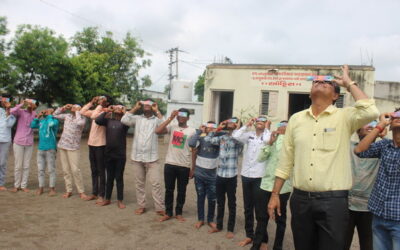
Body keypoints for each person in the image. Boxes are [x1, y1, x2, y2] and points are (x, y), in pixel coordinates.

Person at [268, 65, 379, 250]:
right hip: (301, 200)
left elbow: (371, 111)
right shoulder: (296, 119)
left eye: (327, 82)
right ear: (310, 93)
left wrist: (349, 83)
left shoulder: (345, 117)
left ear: (336, 95)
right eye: (316, 82)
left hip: (333, 202)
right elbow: (286, 159)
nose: (320, 83)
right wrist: (274, 194)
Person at [354, 110, 400, 250]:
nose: (398, 117)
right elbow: (359, 151)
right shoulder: (384, 146)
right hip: (379, 214)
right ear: (390, 124)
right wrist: (380, 125)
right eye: (396, 116)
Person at [121, 99, 165, 215]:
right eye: (144, 104)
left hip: (152, 157)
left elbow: (164, 126)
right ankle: (141, 206)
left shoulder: (156, 120)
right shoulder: (137, 119)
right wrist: (135, 108)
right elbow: (124, 119)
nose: (146, 106)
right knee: (139, 183)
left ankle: (159, 207)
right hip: (137, 157)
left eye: (149, 105)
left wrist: (157, 111)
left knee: (156, 183)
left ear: (153, 107)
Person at [232, 115, 271, 246]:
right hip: (246, 175)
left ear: (266, 124)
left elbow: (267, 140)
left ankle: (263, 240)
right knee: (248, 208)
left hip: (259, 176)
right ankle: (250, 235)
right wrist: (246, 125)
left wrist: (266, 128)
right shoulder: (249, 135)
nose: (260, 122)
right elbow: (236, 136)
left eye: (263, 121)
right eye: (258, 120)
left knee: (260, 210)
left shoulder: (267, 135)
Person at [252, 121, 292, 250]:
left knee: (280, 218)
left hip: (283, 186)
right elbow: (261, 158)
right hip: (266, 183)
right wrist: (270, 143)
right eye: (280, 124)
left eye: (285, 125)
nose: (282, 126)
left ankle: (278, 246)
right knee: (261, 217)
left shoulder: (293, 141)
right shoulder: (273, 139)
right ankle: (257, 244)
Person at [344, 120, 383, 250]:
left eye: (374, 123)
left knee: (368, 245)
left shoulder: (383, 150)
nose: (371, 126)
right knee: (341, 243)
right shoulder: (348, 147)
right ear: (358, 130)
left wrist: (381, 133)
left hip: (370, 208)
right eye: (367, 123)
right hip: (346, 205)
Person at [155, 108, 196, 222]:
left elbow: (194, 150)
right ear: (177, 116)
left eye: (184, 115)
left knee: (182, 190)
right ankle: (168, 212)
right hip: (170, 163)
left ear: (188, 118)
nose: (181, 117)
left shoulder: (192, 131)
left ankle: (179, 212)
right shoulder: (172, 127)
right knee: (169, 190)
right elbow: (158, 131)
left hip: (184, 165)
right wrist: (170, 118)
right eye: (179, 115)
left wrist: (193, 168)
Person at [206, 118, 243, 239]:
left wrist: (238, 128)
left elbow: (240, 142)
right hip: (220, 175)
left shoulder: (239, 139)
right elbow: (208, 139)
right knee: (220, 202)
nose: (230, 123)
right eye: (229, 121)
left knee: (232, 204)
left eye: (234, 122)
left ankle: (230, 229)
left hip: (231, 176)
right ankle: (219, 226)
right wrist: (218, 128)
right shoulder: (222, 137)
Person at [95, 105, 129, 209]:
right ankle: (107, 199)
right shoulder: (108, 120)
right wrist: (107, 111)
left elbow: (129, 119)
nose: (118, 108)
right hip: (109, 154)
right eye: (116, 107)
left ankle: (120, 200)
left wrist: (125, 112)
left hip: (120, 155)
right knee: (109, 177)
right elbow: (97, 120)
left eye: (120, 107)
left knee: (119, 177)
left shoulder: (125, 122)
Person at [54, 104, 89, 200]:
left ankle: (81, 191)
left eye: (76, 107)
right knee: (65, 170)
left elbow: (79, 124)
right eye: (73, 107)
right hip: (62, 145)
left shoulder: (82, 118)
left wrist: (78, 111)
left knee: (75, 170)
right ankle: (68, 190)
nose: (73, 108)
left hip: (73, 147)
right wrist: (64, 107)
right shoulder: (67, 116)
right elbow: (55, 115)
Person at [188, 121, 220, 230]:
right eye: (208, 127)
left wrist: (218, 131)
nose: (211, 129)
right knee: (200, 197)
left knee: (212, 199)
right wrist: (199, 131)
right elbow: (191, 144)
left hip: (213, 176)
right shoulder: (200, 139)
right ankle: (200, 219)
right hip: (199, 174)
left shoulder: (218, 140)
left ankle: (210, 220)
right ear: (205, 128)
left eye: (213, 127)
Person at [81, 96, 111, 203]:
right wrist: (91, 102)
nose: (100, 100)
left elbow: (94, 116)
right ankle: (94, 193)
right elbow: (82, 111)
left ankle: (101, 195)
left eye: (103, 99)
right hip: (91, 144)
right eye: (99, 99)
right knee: (94, 170)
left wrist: (99, 106)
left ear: (107, 103)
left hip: (101, 145)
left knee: (101, 170)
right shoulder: (97, 110)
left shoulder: (107, 114)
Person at [30, 108, 59, 196]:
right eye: (45, 111)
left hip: (50, 148)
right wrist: (37, 117)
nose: (45, 112)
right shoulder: (41, 121)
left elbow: (50, 125)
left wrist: (50, 114)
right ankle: (41, 187)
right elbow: (32, 125)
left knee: (51, 169)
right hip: (41, 148)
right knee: (40, 169)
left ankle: (52, 188)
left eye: (48, 111)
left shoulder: (54, 121)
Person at [10, 99, 37, 193]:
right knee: (18, 165)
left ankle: (23, 185)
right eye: (29, 103)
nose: (30, 105)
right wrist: (22, 103)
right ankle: (16, 185)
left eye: (32, 103)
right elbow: (11, 111)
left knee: (26, 165)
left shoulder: (34, 114)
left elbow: (37, 124)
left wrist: (35, 112)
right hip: (18, 141)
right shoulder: (21, 112)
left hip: (29, 142)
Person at [0, 97, 16, 191]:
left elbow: (9, 125)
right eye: (3, 101)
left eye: (7, 101)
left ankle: (1, 183)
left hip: (5, 140)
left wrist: (8, 111)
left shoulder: (13, 114)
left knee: (2, 162)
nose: (5, 103)